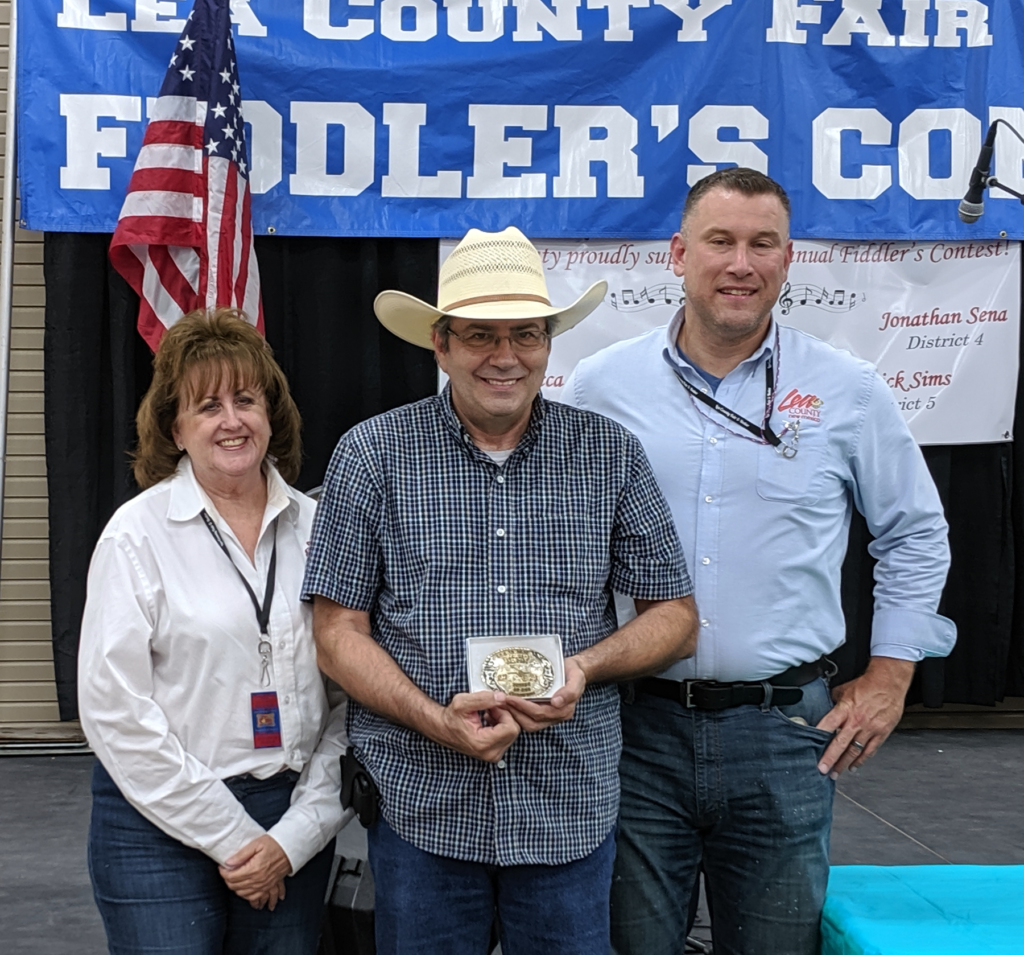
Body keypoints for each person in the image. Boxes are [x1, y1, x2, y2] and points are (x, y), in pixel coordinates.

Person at [562, 167, 956, 955]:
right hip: (635, 733)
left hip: (783, 735)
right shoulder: (602, 388)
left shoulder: (847, 390)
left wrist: (892, 675)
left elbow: (914, 531)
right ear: (678, 254)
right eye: (720, 241)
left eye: (761, 243)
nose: (740, 263)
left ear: (788, 259)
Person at [302, 226, 698, 955]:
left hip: (567, 808)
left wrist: (585, 668)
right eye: (480, 335)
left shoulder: (610, 455)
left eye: (526, 334)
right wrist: (432, 719)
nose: (505, 356)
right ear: (440, 345)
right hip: (423, 804)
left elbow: (675, 615)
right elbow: (337, 633)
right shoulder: (372, 454)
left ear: (549, 344)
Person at [78, 309, 347, 955]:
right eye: (207, 406)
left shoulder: (323, 529)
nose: (232, 421)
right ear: (175, 427)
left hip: (291, 818)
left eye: (246, 399)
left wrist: (293, 839)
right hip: (155, 822)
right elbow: (115, 712)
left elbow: (356, 700)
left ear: (270, 413)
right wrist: (233, 838)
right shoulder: (135, 536)